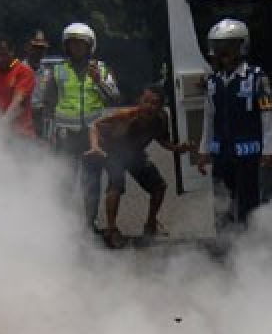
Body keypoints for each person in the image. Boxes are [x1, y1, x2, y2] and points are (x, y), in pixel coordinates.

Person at [86, 85, 192, 248]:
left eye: (155, 103)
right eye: (146, 101)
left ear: (160, 106)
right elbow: (95, 126)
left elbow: (162, 140)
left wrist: (178, 148)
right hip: (113, 151)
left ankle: (150, 225)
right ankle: (111, 230)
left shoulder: (161, 118)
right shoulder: (126, 116)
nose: (150, 106)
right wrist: (95, 146)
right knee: (116, 185)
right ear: (139, 101)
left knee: (159, 186)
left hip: (135, 154)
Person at [197, 17, 272, 229]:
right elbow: (209, 116)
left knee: (249, 202)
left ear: (241, 46)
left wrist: (269, 149)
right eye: (218, 46)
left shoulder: (256, 77)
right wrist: (203, 149)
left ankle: (251, 248)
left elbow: (267, 114)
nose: (222, 52)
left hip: (248, 152)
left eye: (228, 46)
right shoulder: (212, 81)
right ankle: (226, 247)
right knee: (222, 201)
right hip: (222, 151)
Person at [43, 22, 120, 232]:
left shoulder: (102, 69)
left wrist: (99, 81)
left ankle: (90, 223)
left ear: (90, 46)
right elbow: (48, 105)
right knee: (64, 181)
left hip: (93, 136)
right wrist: (48, 136)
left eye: (81, 44)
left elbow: (114, 98)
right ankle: (63, 225)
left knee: (92, 181)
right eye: (72, 44)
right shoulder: (57, 71)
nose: (76, 48)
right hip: (66, 136)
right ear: (66, 46)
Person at [0, 35, 36, 137]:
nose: (0, 59)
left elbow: (18, 101)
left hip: (21, 135)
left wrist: (3, 122)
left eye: (3, 55)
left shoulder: (24, 71)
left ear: (12, 52)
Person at [24, 29, 51, 140]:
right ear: (27, 48)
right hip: (21, 120)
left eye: (42, 49)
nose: (39, 52)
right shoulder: (19, 71)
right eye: (35, 48)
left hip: (41, 122)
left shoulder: (47, 73)